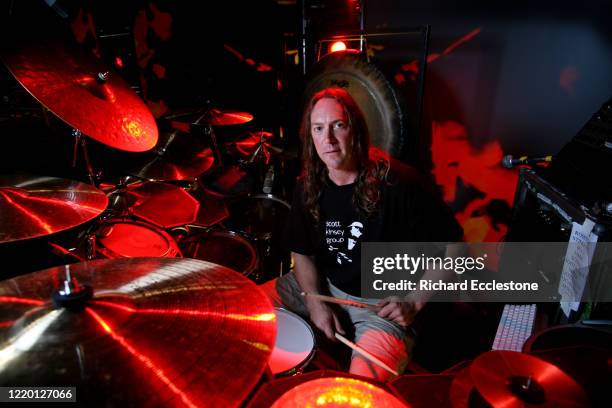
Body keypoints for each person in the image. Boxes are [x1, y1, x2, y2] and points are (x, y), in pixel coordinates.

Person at [263, 87, 463, 380]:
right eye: (319, 129)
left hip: (381, 307)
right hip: (321, 285)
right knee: (240, 313)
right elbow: (302, 251)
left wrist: (416, 300)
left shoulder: (399, 183)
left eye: (338, 126)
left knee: (359, 392)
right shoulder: (308, 185)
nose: (328, 140)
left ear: (355, 129)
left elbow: (456, 248)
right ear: (310, 136)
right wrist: (315, 301)